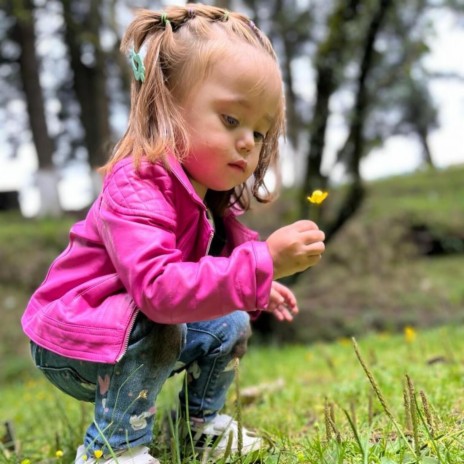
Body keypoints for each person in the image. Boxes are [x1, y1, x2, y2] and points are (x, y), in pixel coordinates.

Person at [21, 3, 325, 463]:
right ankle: (111, 449)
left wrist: (259, 277)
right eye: (230, 120)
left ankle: (198, 427)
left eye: (260, 133)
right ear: (167, 104)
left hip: (129, 326)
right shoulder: (137, 186)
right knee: (159, 322)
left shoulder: (210, 201)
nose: (248, 142)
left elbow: (213, 274)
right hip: (72, 340)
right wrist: (264, 263)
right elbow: (159, 292)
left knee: (232, 321)